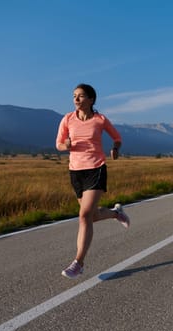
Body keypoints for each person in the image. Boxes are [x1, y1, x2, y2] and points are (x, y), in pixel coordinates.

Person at [56, 83, 130, 279]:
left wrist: (115, 148)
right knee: (91, 216)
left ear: (91, 100)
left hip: (96, 168)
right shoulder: (67, 119)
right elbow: (58, 144)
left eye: (80, 96)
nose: (76, 99)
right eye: (74, 96)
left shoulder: (100, 119)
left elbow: (117, 137)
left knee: (84, 216)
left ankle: (78, 263)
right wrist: (66, 144)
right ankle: (115, 213)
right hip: (75, 172)